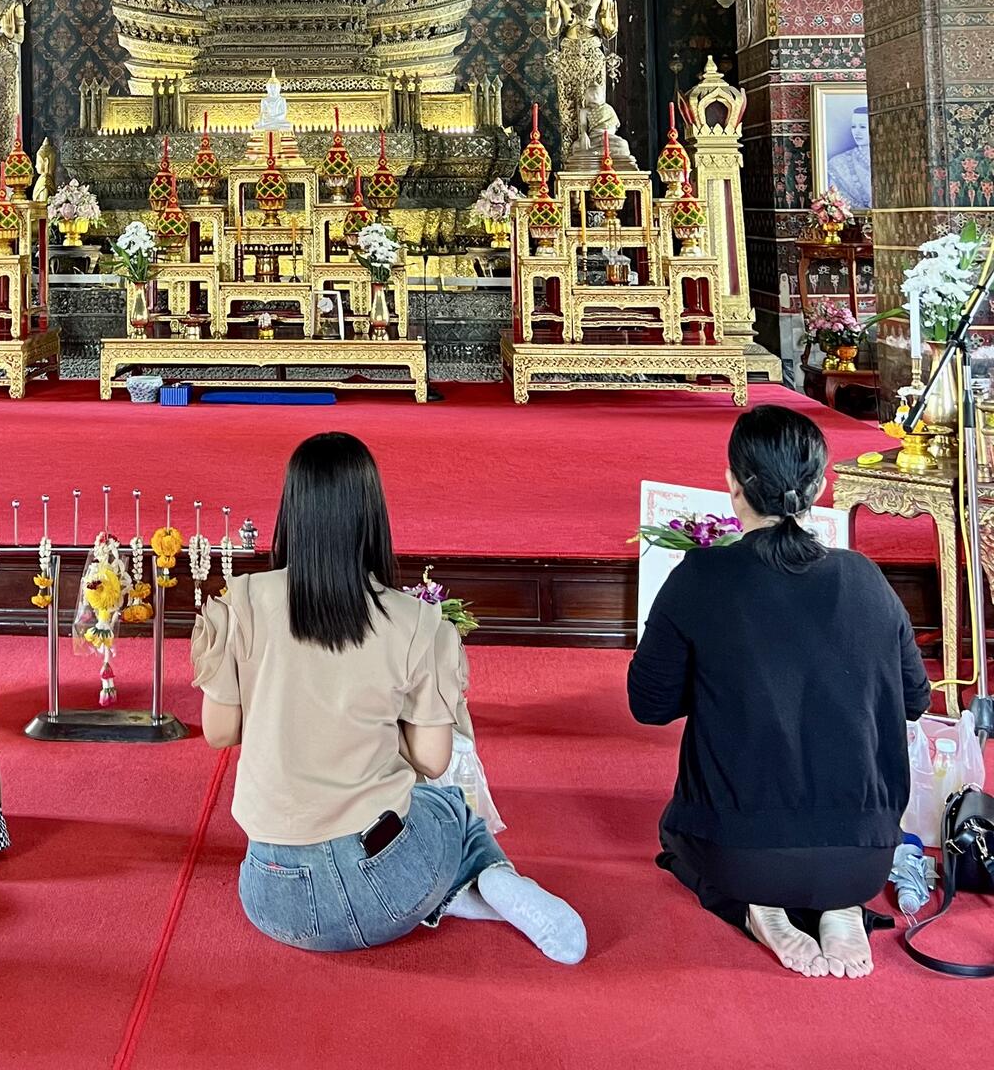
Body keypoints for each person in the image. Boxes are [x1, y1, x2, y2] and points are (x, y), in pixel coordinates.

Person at [192, 432, 585, 961]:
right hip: (391, 876)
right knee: (449, 805)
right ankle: (486, 877)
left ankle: (456, 894)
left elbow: (219, 731)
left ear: (291, 512)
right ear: (372, 516)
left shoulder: (241, 602)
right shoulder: (412, 621)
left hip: (275, 895)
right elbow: (432, 758)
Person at [628, 404, 931, 980]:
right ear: (819, 486)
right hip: (865, 859)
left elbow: (649, 705)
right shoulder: (864, 576)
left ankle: (762, 909)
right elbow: (915, 699)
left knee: (676, 831)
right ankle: (840, 904)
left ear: (732, 482)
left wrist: (724, 675)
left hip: (739, 855)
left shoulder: (701, 576)